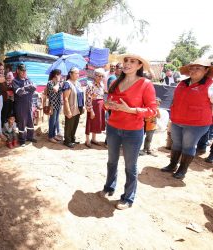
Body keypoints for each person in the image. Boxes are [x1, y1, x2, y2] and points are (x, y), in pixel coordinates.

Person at [101, 53, 157, 210]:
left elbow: (152, 111)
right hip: (112, 128)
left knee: (130, 166)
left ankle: (128, 198)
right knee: (112, 161)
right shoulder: (116, 81)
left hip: (133, 132)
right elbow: (107, 104)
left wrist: (130, 110)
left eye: (132, 61)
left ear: (139, 66)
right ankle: (109, 187)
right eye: (126, 60)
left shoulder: (146, 84)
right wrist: (108, 105)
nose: (127, 63)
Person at [161, 59, 213, 179]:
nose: (193, 70)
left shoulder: (210, 85)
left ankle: (182, 170)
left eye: (197, 68)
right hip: (177, 120)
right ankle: (172, 165)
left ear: (206, 70)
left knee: (188, 146)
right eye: (191, 68)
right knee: (176, 143)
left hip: (196, 123)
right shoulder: (183, 83)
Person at [12, 63, 37, 147]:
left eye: (25, 71)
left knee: (30, 121)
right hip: (20, 105)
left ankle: (30, 137)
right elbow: (19, 92)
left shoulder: (28, 79)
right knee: (22, 123)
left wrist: (26, 88)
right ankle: (22, 140)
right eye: (22, 71)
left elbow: (34, 87)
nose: (24, 72)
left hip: (29, 104)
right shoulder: (15, 81)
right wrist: (27, 88)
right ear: (18, 71)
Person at [62, 67, 85, 148]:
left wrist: (83, 106)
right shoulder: (67, 84)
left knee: (75, 124)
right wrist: (68, 111)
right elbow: (65, 98)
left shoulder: (78, 83)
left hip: (78, 108)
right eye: (76, 73)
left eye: (78, 73)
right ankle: (67, 141)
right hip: (71, 108)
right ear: (71, 74)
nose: (78, 75)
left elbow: (81, 95)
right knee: (69, 125)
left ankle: (72, 138)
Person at [85, 68, 106, 148]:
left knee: (97, 122)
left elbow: (102, 96)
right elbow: (88, 98)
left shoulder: (102, 85)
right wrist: (91, 110)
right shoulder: (90, 85)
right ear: (94, 76)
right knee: (90, 122)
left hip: (100, 106)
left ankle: (93, 139)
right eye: (98, 76)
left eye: (102, 76)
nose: (100, 78)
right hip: (93, 106)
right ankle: (87, 140)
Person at [45, 69, 63, 143]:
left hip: (58, 104)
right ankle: (50, 136)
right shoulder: (50, 83)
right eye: (60, 75)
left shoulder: (57, 83)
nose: (61, 76)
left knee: (56, 120)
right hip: (52, 105)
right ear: (56, 75)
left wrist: (59, 83)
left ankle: (54, 134)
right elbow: (55, 90)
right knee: (52, 121)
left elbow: (60, 92)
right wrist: (58, 82)